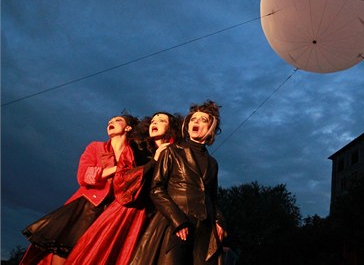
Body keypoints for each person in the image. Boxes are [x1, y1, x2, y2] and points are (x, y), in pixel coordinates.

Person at [64, 112, 182, 264]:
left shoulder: (177, 153)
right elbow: (121, 179)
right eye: (153, 120)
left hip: (155, 216)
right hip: (125, 210)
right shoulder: (137, 147)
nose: (155, 123)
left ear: (171, 127)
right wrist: (153, 162)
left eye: (161, 120)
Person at [20, 115, 138, 265]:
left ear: (128, 128)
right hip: (85, 206)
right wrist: (117, 168)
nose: (111, 122)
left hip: (111, 212)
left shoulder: (133, 155)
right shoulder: (96, 147)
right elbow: (84, 176)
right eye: (110, 121)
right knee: (65, 249)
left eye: (117, 120)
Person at [131, 100, 226, 265]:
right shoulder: (172, 151)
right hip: (176, 223)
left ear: (211, 128)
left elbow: (212, 196)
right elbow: (156, 189)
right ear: (187, 125)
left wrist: (220, 220)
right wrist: (177, 220)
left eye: (203, 120)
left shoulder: (213, 163)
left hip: (203, 230)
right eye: (193, 119)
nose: (196, 122)